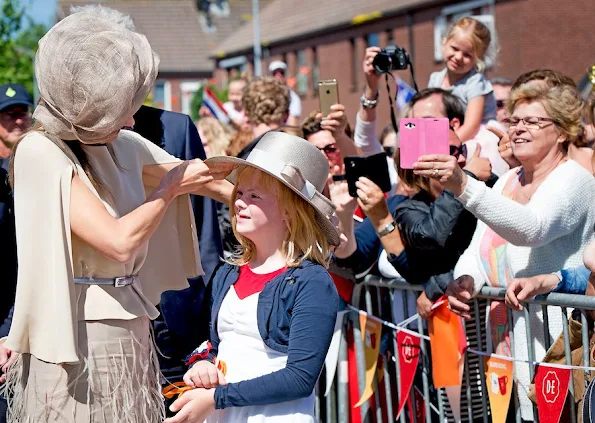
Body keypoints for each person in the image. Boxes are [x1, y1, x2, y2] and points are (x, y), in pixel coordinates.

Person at [2, 10, 235, 423]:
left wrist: (279, 198)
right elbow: (117, 240)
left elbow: (203, 178)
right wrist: (167, 189)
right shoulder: (40, 151)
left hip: (133, 331)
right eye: (122, 108)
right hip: (79, 340)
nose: (131, 120)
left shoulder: (116, 141)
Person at [416, 82, 595, 421]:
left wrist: (464, 185)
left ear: (560, 132)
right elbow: (477, 249)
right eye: (515, 121)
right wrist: (465, 279)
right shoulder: (507, 180)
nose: (519, 129)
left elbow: (532, 228)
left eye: (533, 121)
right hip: (505, 350)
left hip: (559, 351)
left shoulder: (574, 180)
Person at [165, 132, 339, 423]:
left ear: (289, 212)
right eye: (240, 193)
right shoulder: (228, 272)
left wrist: (216, 397)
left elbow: (300, 378)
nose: (240, 203)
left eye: (254, 196)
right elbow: (215, 344)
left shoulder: (313, 282)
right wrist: (202, 364)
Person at [0, 83, 33, 423]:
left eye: (23, 113)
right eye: (9, 115)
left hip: (15, 329)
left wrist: (9, 331)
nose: (18, 121)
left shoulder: (34, 171)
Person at [428, 16, 497, 142]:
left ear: (478, 58)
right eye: (454, 48)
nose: (458, 57)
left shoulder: (475, 82)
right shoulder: (435, 79)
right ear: (444, 42)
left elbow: (472, 126)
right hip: (449, 134)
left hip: (474, 137)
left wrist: (446, 146)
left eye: (467, 55)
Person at [269, 60, 302, 126]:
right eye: (275, 73)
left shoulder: (293, 98)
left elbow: (292, 125)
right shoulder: (264, 96)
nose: (278, 76)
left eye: (281, 72)